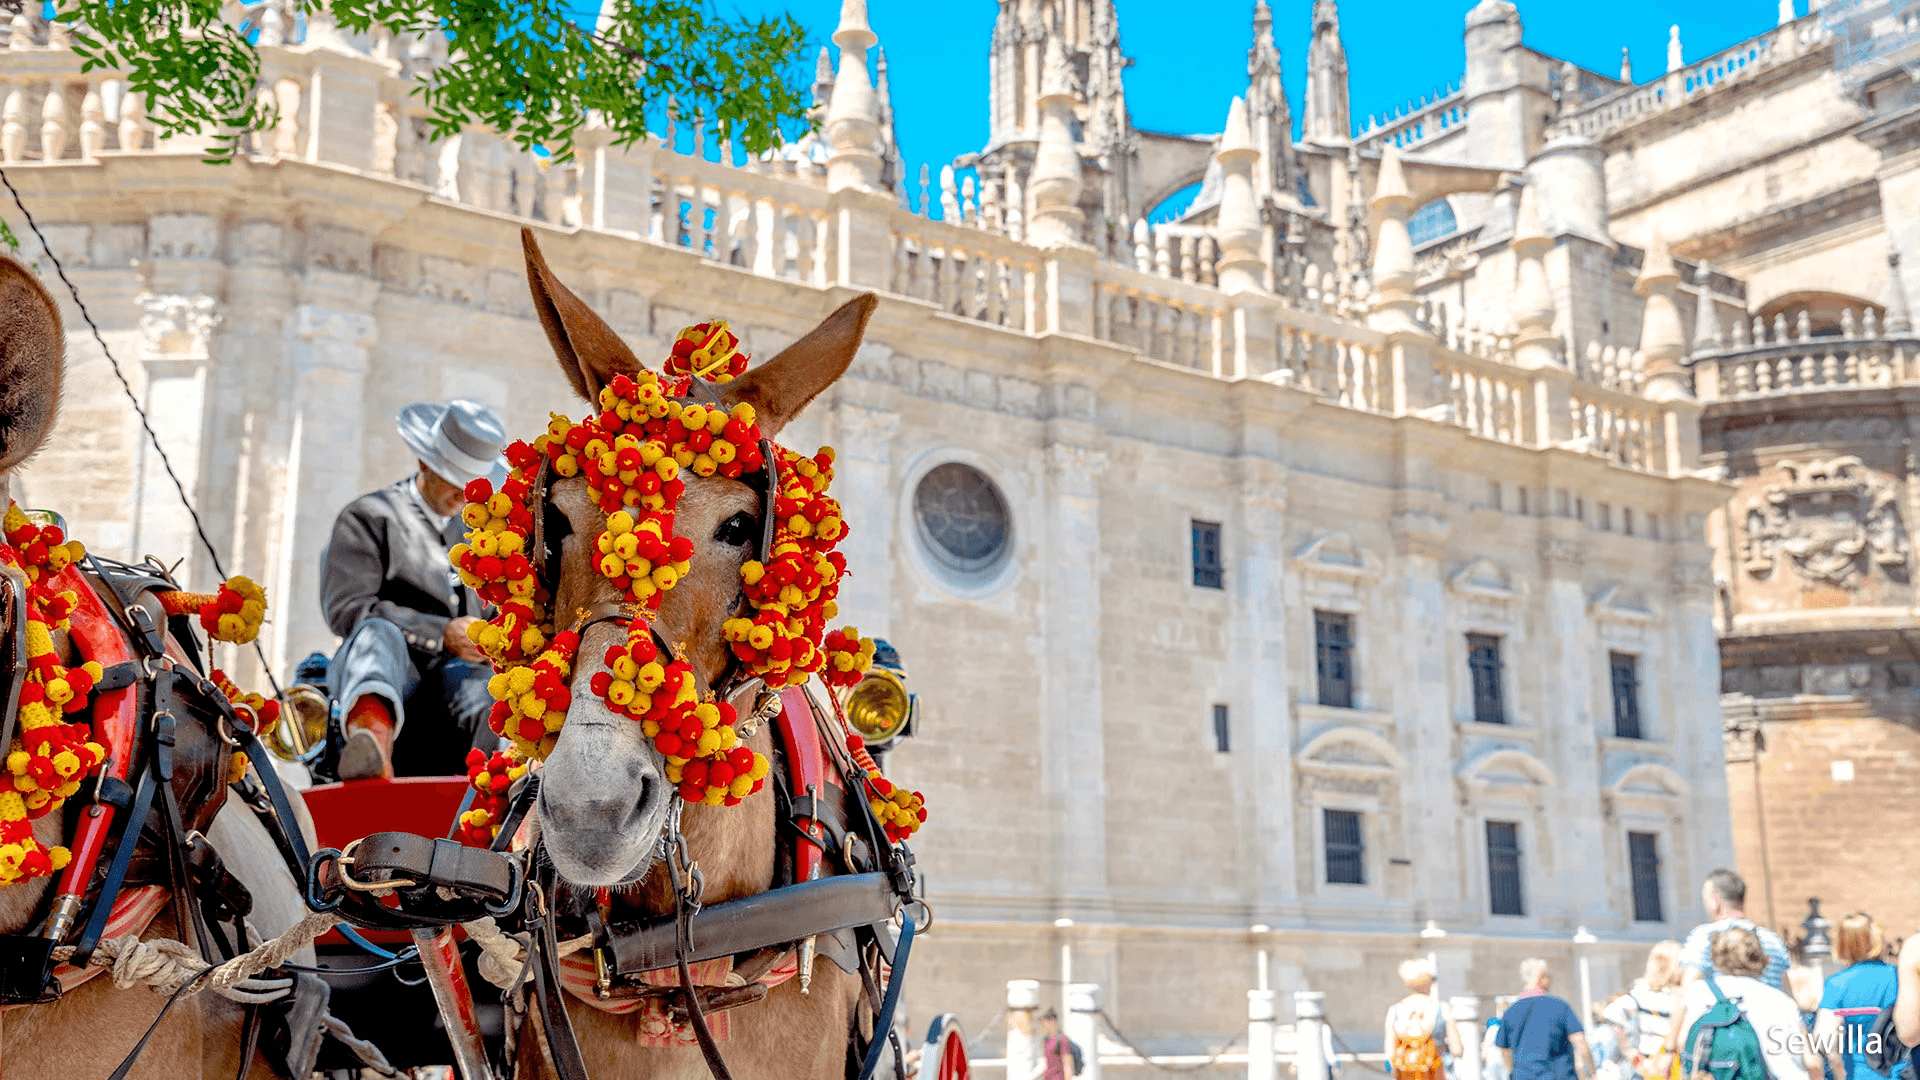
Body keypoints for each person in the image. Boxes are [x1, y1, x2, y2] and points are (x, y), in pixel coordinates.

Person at [320, 400, 506, 779]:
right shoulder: (368, 516)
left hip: (457, 685)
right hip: (390, 670)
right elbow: (348, 610)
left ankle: (485, 791)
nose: (465, 497)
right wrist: (441, 633)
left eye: (473, 487)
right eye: (457, 481)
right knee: (377, 634)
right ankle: (371, 750)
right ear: (425, 464)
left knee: (486, 688)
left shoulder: (480, 534)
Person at [1670, 869, 1794, 1073]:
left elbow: (1685, 994)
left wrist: (1670, 1047)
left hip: (1726, 1052)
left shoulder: (1705, 936)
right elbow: (1787, 993)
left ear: (1715, 901)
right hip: (1776, 1042)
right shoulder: (1772, 939)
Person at [1675, 926, 1820, 1080]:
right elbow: (1812, 1062)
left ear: (1717, 956)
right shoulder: (1781, 1001)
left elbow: (1683, 1042)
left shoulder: (1699, 992)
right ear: (1759, 956)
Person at [1815, 915, 1899, 1080]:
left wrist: (1839, 1074)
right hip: (1899, 1072)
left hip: (1857, 1073)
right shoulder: (1898, 977)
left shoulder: (1837, 984)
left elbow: (1824, 1037)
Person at [1496, 958, 1593, 1080]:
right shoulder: (1559, 1006)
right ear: (1540, 978)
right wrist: (1592, 1073)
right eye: (1548, 976)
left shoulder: (1510, 1012)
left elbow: (1505, 1051)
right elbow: (1579, 1041)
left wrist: (1512, 1073)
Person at [1604, 941, 1683, 1080]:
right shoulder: (1680, 995)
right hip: (1674, 1066)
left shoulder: (1641, 992)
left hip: (1650, 1068)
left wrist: (1631, 1053)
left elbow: (1611, 1014)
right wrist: (1630, 1052)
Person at [1388, 959, 1461, 1080]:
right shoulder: (1442, 1008)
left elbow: (1390, 1054)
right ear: (1429, 981)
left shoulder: (1394, 1010)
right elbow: (1457, 1050)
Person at [1035, 1008, 1076, 1080]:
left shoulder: (1062, 1040)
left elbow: (1067, 1064)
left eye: (1044, 1023)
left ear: (1052, 1021)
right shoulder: (1046, 1040)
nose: (1042, 1026)